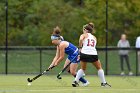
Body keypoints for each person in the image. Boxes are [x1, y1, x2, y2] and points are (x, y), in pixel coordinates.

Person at [72, 23, 111, 87]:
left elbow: (81, 39)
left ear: (86, 30)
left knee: (83, 68)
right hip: (93, 54)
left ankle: (75, 81)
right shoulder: (94, 37)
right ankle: (103, 83)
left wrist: (80, 47)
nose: (83, 30)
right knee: (99, 68)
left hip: (84, 53)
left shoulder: (83, 35)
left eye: (84, 29)